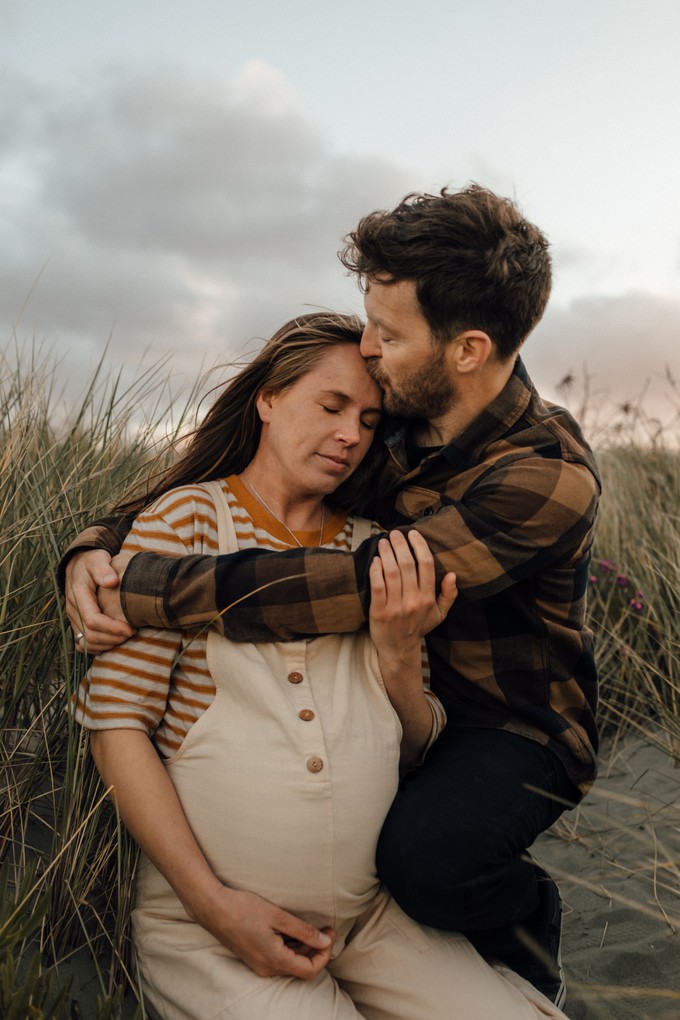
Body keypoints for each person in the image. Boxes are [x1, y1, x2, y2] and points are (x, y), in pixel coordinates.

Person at [62, 184, 600, 1007]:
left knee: (429, 860)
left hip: (510, 717)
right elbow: (210, 492)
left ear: (466, 350)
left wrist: (148, 588)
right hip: (386, 737)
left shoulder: (546, 475)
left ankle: (524, 923)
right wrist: (94, 546)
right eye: (366, 328)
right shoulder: (392, 423)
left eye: (388, 333)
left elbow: (348, 588)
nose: (369, 348)